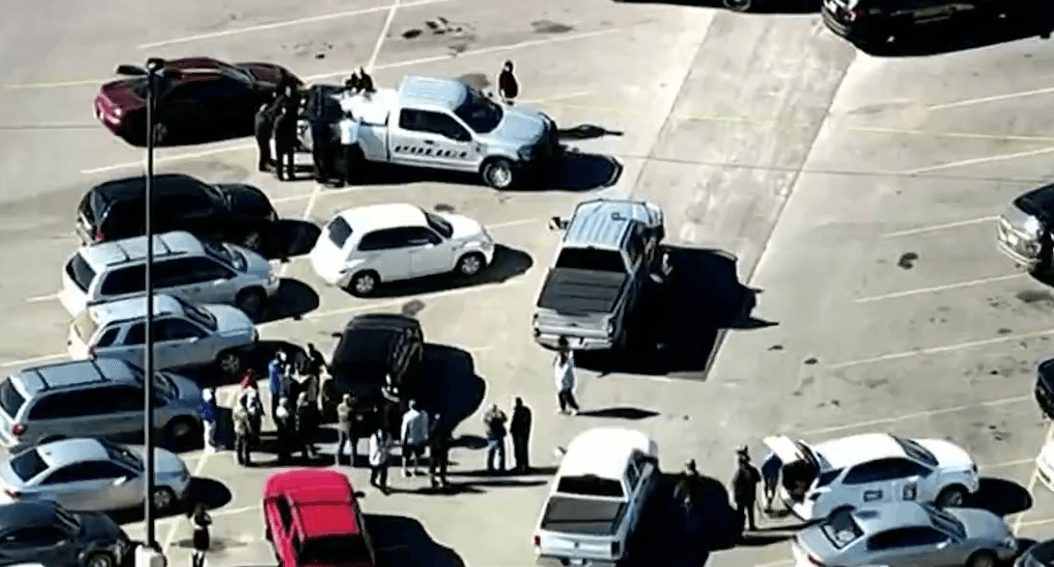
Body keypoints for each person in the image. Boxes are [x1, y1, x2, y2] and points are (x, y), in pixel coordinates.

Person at [731, 446, 762, 532]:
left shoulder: (740, 472)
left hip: (741, 496)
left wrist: (735, 495)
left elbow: (734, 483)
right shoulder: (752, 470)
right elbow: (758, 479)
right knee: (749, 512)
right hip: (750, 495)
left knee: (741, 512)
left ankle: (741, 526)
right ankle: (750, 526)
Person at [400, 399, 429, 477]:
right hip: (419, 439)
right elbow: (424, 427)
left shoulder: (407, 415)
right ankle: (415, 469)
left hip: (409, 439)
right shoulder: (423, 414)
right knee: (417, 455)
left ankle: (404, 469)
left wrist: (402, 438)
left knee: (405, 455)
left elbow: (404, 428)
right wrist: (425, 437)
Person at [274, 91, 298, 181]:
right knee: (288, 159)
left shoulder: (279, 119)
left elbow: (276, 131)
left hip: (281, 141)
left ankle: (281, 175)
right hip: (286, 141)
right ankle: (289, 173)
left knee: (281, 159)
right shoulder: (290, 119)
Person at [554, 337, 580, 415]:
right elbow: (559, 359)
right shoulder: (561, 353)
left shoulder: (568, 353)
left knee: (566, 394)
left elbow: (568, 364)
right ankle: (562, 408)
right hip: (561, 374)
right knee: (561, 393)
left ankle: (575, 408)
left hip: (565, 375)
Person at [483, 403, 508, 474]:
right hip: (494, 435)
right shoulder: (489, 414)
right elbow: (487, 421)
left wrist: (500, 414)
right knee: (493, 451)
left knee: (499, 452)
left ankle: (500, 467)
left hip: (496, 434)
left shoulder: (493, 414)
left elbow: (505, 419)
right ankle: (491, 467)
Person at [310, 113, 336, 184]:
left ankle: (318, 176)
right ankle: (325, 176)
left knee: (317, 161)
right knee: (324, 161)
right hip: (324, 145)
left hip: (316, 145)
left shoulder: (314, 126)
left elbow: (313, 136)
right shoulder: (326, 125)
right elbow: (330, 135)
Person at [338, 111, 362, 186]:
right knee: (354, 163)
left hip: (346, 144)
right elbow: (359, 121)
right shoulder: (355, 124)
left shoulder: (343, 124)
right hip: (355, 145)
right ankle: (353, 180)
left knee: (346, 164)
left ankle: (346, 180)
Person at [254, 96, 277, 172]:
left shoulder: (258, 116)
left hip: (260, 136)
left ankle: (268, 161)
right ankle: (262, 166)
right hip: (262, 137)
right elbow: (266, 127)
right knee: (264, 151)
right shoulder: (263, 119)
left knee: (266, 150)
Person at [428, 413, 451, 489]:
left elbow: (430, 434)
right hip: (442, 446)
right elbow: (449, 436)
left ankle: (432, 479)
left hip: (434, 446)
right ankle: (442, 479)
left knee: (433, 463)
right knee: (442, 464)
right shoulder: (445, 426)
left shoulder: (433, 426)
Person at [510, 397, 532, 472]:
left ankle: (523, 466)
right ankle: (519, 465)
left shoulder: (523, 411)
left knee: (521, 450)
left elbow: (526, 422)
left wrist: (526, 432)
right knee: (518, 450)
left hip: (521, 433)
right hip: (517, 433)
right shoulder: (518, 410)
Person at [295, 391, 319, 459]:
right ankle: (312, 452)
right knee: (310, 441)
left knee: (303, 441)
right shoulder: (310, 405)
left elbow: (298, 416)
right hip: (308, 425)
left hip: (302, 426)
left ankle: (304, 454)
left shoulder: (299, 405)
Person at [368, 425, 391, 494]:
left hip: (380, 458)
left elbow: (389, 445)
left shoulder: (386, 436)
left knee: (382, 472)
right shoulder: (375, 438)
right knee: (376, 471)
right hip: (376, 458)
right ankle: (375, 482)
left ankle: (381, 484)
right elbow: (376, 448)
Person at [335, 393, 356, 465]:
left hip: (341, 426)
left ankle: (338, 460)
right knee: (353, 444)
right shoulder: (350, 408)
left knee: (341, 443)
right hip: (349, 426)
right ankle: (353, 461)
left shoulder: (339, 406)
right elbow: (350, 415)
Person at [232, 395, 253, 466]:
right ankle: (246, 460)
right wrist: (250, 429)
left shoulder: (236, 408)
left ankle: (239, 459)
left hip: (237, 428)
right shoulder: (243, 410)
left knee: (239, 444)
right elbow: (247, 421)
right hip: (243, 429)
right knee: (245, 445)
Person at [190, 503, 211, 567]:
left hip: (198, 534)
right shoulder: (203, 518)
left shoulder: (195, 517)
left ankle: (195, 560)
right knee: (201, 552)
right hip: (202, 534)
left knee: (197, 551)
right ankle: (198, 561)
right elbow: (209, 521)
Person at [275, 396, 294, 463]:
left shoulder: (279, 409)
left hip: (282, 431)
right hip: (284, 430)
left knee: (283, 443)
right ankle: (284, 456)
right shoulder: (283, 412)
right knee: (284, 443)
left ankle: (283, 455)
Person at [268, 350, 286, 419]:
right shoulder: (279, 366)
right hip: (278, 386)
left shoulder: (270, 364)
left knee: (273, 403)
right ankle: (278, 416)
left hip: (272, 386)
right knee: (279, 402)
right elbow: (282, 374)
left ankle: (274, 416)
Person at [200, 388, 218, 452]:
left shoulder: (208, 393)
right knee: (208, 430)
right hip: (207, 415)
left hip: (210, 414)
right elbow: (209, 402)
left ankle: (211, 444)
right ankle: (208, 446)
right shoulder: (206, 393)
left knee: (211, 429)